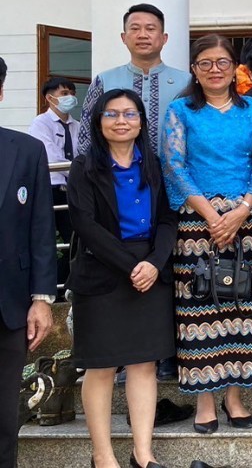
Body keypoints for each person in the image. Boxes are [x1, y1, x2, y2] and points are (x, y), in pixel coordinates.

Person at [162, 35, 252, 432]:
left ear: (234, 68)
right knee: (201, 305)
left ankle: (234, 397)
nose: (214, 69)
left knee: (242, 303)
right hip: (198, 223)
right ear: (194, 69)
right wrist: (213, 216)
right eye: (205, 63)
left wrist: (241, 211)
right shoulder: (180, 111)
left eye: (222, 62)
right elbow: (174, 165)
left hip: (246, 222)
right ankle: (205, 400)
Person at [67, 90, 177, 468]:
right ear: (98, 122)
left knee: (144, 366)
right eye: (111, 114)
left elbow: (168, 219)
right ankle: (103, 456)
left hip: (150, 270)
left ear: (141, 121)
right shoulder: (84, 167)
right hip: (103, 273)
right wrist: (131, 266)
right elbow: (84, 224)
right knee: (101, 367)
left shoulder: (153, 164)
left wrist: (154, 263)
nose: (121, 121)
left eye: (130, 114)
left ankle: (142, 453)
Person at [0, 56, 56, 468]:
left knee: (4, 418)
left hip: (10, 305)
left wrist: (41, 298)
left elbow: (41, 229)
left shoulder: (26, 150)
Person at [77, 3, 188, 156]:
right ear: (124, 37)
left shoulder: (187, 82)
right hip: (114, 170)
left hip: (174, 170)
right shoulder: (103, 81)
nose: (142, 35)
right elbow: (87, 136)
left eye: (150, 29)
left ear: (164, 38)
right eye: (135, 29)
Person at [28, 76, 79, 294]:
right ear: (50, 98)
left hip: (72, 190)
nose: (70, 98)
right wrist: (78, 172)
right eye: (64, 93)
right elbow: (51, 156)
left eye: (72, 93)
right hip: (50, 189)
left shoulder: (77, 126)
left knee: (73, 239)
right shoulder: (41, 123)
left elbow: (83, 154)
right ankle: (50, 289)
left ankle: (65, 286)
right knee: (48, 240)